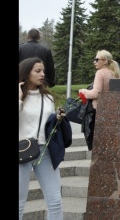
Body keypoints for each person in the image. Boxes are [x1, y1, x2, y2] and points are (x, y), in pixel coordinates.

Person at [19, 57, 70, 220]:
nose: (42, 74)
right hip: (21, 151)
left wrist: (57, 118)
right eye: (37, 71)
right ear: (26, 73)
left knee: (55, 201)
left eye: (43, 71)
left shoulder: (47, 97)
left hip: (45, 150)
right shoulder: (20, 96)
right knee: (19, 203)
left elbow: (47, 122)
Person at [78, 50, 120, 150]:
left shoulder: (100, 73)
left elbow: (96, 93)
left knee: (97, 143)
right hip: (111, 110)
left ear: (105, 61)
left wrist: (83, 91)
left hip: (98, 111)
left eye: (97, 59)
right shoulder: (114, 73)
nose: (94, 62)